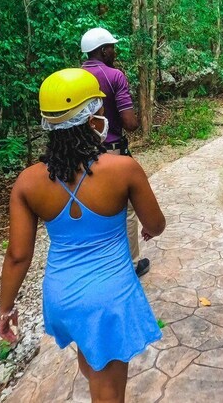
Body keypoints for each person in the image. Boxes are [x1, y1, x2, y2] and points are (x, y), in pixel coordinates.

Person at [0, 68, 166, 403]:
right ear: (92, 119)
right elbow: (156, 224)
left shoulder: (28, 182)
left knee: (93, 364)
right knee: (107, 390)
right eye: (100, 112)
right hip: (108, 297)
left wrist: (5, 309)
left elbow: (18, 255)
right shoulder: (123, 170)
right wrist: (146, 225)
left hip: (62, 296)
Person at [80, 27, 150, 278]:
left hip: (80, 154)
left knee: (91, 206)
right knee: (128, 209)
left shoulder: (75, 77)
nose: (115, 50)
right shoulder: (114, 76)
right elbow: (129, 122)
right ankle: (131, 264)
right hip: (111, 151)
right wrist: (137, 117)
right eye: (112, 47)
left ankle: (97, 263)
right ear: (102, 50)